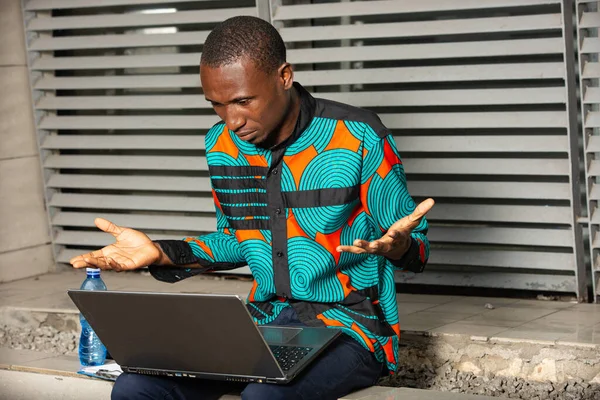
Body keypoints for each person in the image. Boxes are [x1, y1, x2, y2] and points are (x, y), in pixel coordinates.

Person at [70, 15, 434, 400]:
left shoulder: (358, 135)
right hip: (264, 323)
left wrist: (399, 246)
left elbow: (416, 248)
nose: (233, 119)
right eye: (217, 104)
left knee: (264, 397)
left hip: (351, 326)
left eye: (243, 101)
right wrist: (160, 253)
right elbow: (236, 239)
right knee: (136, 387)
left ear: (285, 76)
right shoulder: (221, 145)